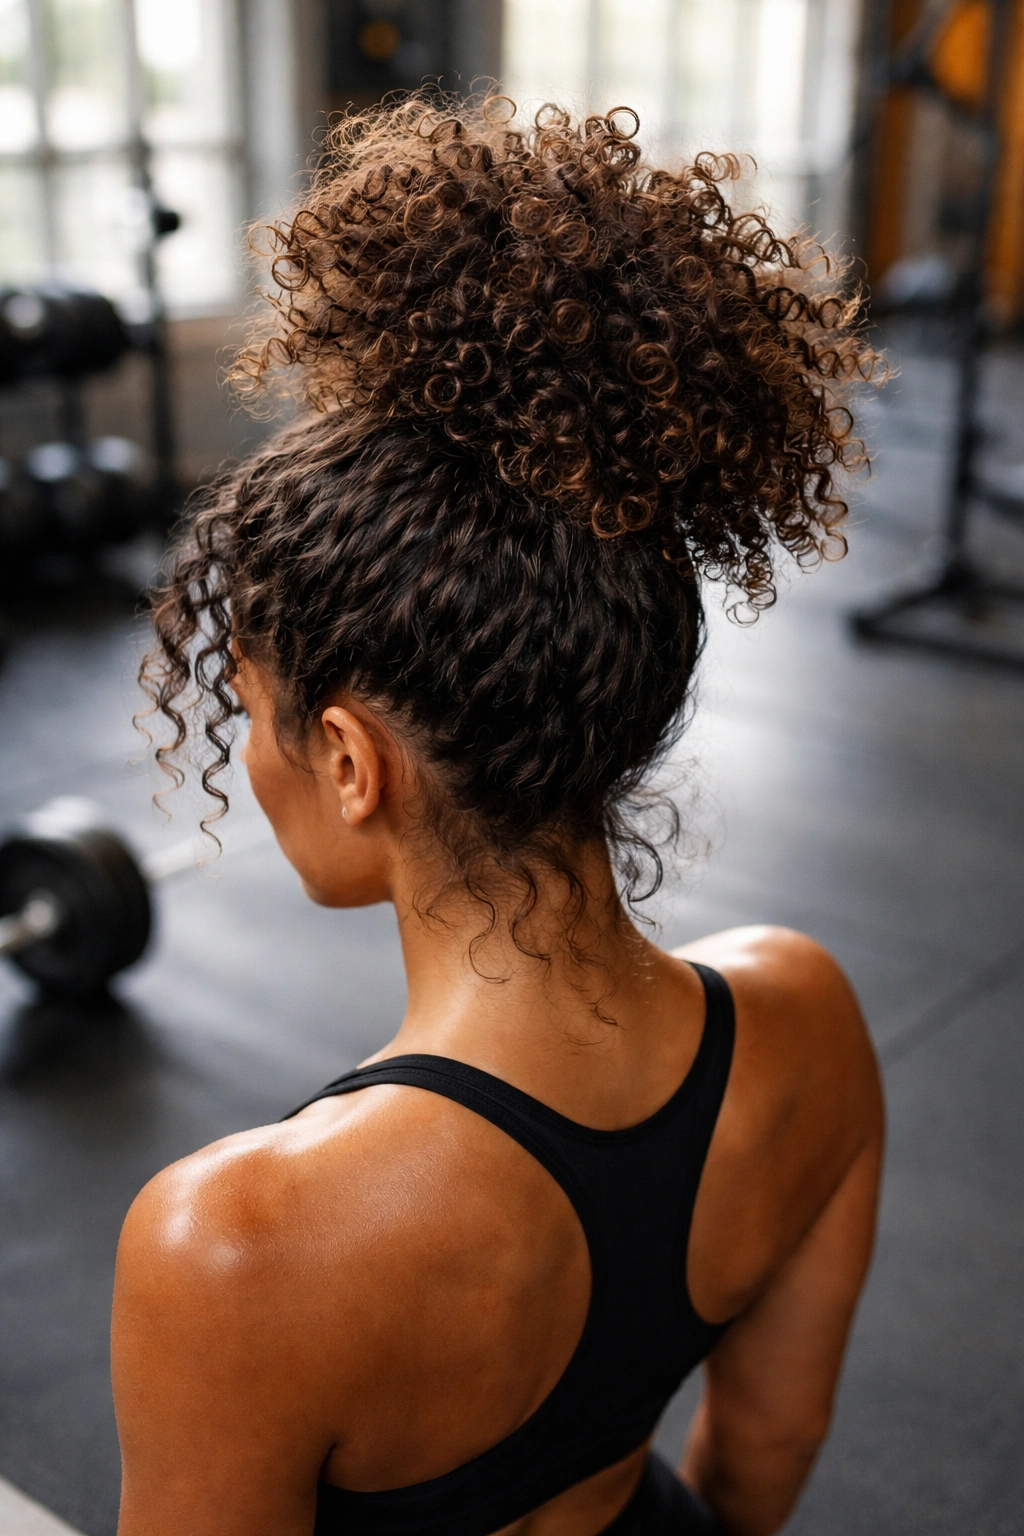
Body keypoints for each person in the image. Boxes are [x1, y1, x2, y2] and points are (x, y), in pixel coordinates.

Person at [113, 100, 884, 1536]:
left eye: (253, 711)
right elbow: (769, 1449)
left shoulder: (229, 1247)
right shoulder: (809, 1019)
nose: (251, 759)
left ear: (350, 760)